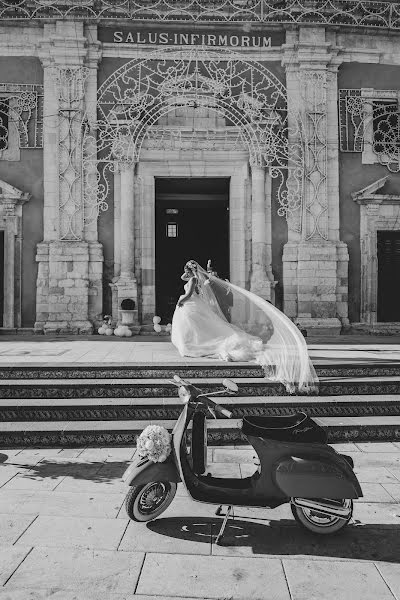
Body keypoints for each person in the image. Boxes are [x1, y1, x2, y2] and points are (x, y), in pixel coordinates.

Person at [171, 260, 318, 394]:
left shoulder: (193, 279)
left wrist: (180, 301)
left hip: (189, 303)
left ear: (190, 271)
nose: (186, 273)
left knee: (196, 327)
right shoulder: (193, 278)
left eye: (187, 270)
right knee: (196, 327)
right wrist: (192, 269)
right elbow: (183, 277)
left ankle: (192, 344)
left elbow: (188, 293)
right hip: (193, 304)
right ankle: (191, 343)